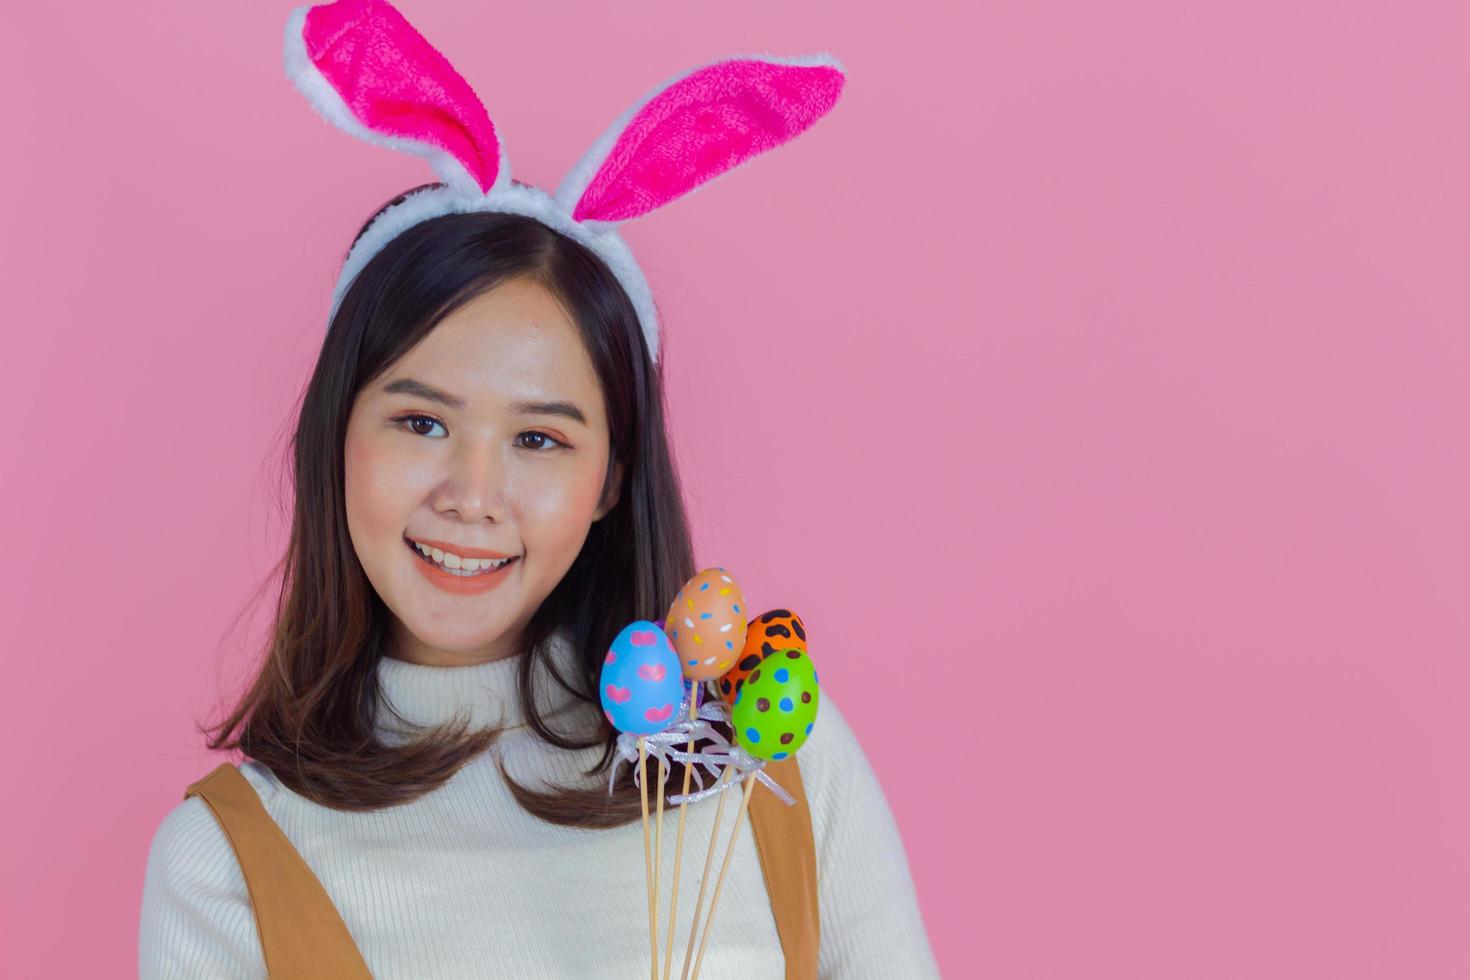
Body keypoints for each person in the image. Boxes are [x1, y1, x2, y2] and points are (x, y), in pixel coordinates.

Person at [139, 1, 941, 976]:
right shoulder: (224, 865)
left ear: (612, 477)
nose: (474, 495)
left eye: (538, 437)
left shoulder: (774, 759)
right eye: (421, 421)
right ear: (335, 436)